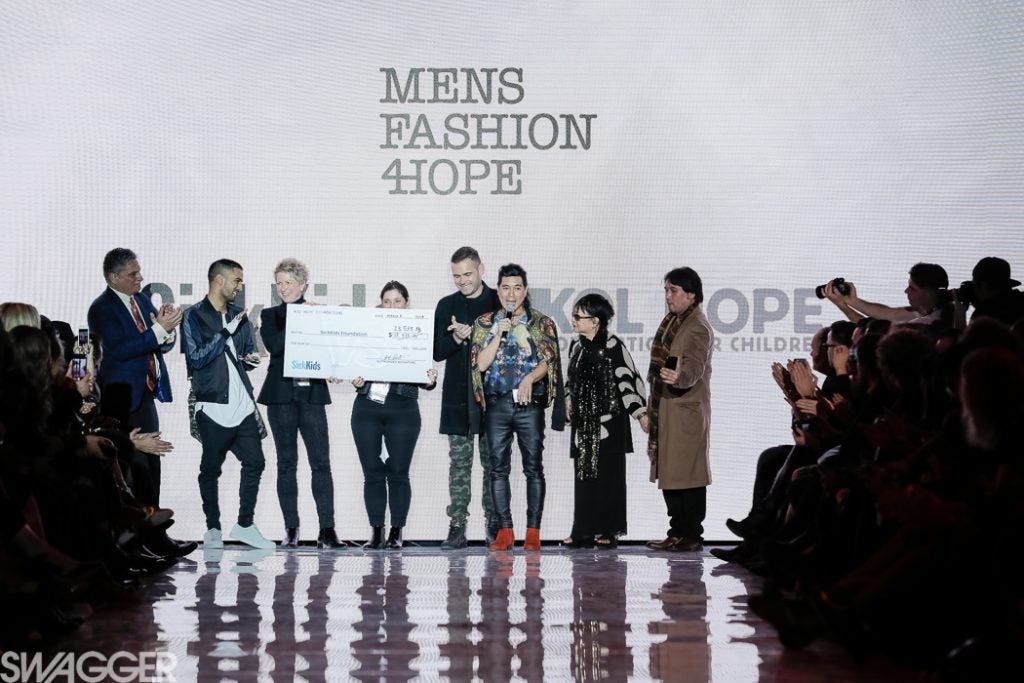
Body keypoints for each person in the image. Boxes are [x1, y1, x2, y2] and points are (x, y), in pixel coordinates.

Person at [86, 249, 195, 558]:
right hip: (121, 398)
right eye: (133, 274)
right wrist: (159, 329)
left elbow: (158, 340)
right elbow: (120, 350)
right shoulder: (102, 309)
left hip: (145, 394)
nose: (140, 278)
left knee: (152, 463)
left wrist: (167, 330)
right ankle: (134, 542)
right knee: (131, 466)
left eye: (139, 272)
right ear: (113, 277)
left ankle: (156, 536)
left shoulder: (143, 301)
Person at [471, 263, 565, 551]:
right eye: (505, 288)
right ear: (498, 290)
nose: (511, 294)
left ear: (525, 290)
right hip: (496, 405)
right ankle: (505, 530)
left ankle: (533, 531)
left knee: (533, 468)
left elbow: (550, 361)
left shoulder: (542, 322)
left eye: (517, 288)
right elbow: (480, 365)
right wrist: (498, 334)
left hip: (528, 405)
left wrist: (530, 377)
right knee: (497, 469)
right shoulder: (484, 324)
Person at [183, 259, 274, 550]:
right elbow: (196, 359)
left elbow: (243, 354)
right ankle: (212, 527)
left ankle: (245, 524)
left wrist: (250, 359)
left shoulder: (239, 315)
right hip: (213, 406)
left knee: (256, 462)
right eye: (236, 280)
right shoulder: (194, 316)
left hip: (242, 404)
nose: (240, 287)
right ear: (219, 280)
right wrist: (225, 333)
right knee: (210, 469)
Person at [257, 258, 342, 549]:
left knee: (321, 463)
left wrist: (314, 319)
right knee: (286, 464)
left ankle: (327, 530)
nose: (283, 288)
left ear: (303, 285)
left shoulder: (319, 313)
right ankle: (291, 529)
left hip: (312, 396)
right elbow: (275, 346)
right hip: (280, 397)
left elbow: (331, 350)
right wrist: (302, 318)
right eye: (279, 283)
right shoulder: (270, 315)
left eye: (288, 283)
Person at [350, 281, 437, 550]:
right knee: (372, 472)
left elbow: (426, 378)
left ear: (406, 303)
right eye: (386, 301)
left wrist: (431, 379)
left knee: (399, 472)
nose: (391, 306)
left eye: (397, 300)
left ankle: (397, 532)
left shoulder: (418, 333)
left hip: (403, 409)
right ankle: (376, 532)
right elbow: (351, 365)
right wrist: (354, 378)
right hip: (367, 408)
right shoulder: (366, 333)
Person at [562, 293, 648, 549]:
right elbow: (570, 381)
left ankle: (609, 531)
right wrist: (567, 403)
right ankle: (583, 532)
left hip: (610, 422)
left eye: (579, 316)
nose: (574, 320)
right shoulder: (576, 347)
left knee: (610, 479)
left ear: (595, 321)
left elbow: (628, 380)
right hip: (585, 423)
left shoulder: (613, 346)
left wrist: (640, 413)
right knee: (584, 479)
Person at [433, 246, 500, 549]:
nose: (462, 281)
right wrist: (456, 337)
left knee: (493, 463)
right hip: (457, 396)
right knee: (459, 464)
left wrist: (477, 335)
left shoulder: (499, 301)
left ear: (481, 270)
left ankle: (494, 524)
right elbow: (436, 352)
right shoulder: (446, 305)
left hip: (493, 397)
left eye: (467, 274)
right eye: (457, 276)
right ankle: (457, 526)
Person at [646, 267, 714, 552]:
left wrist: (680, 377)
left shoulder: (697, 326)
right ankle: (676, 532)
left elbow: (694, 366)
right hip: (668, 408)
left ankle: (692, 534)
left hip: (685, 410)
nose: (668, 296)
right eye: (666, 290)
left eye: (673, 291)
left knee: (689, 475)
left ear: (691, 295)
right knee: (671, 473)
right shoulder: (674, 321)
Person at [823, 262, 953, 335]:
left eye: (912, 288)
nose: (906, 291)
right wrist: (853, 301)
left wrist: (842, 306)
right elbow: (888, 313)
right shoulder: (927, 312)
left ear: (929, 292)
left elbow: (873, 330)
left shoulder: (928, 323)